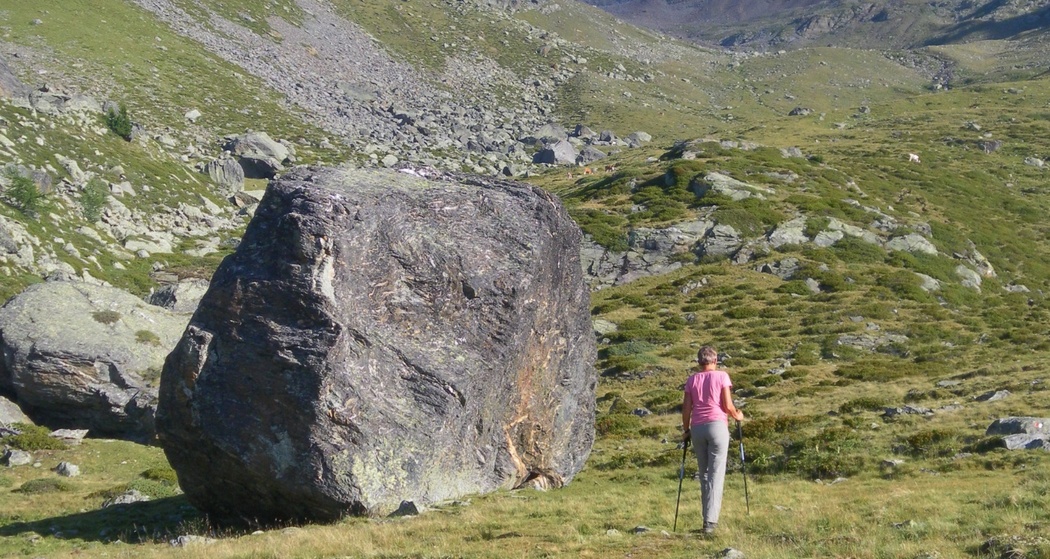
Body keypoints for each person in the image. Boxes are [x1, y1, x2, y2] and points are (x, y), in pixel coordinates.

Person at [681, 345, 744, 535]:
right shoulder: (722, 376)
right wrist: (737, 416)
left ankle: (706, 519)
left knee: (705, 474)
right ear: (715, 360)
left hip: (698, 428)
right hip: (717, 426)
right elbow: (727, 405)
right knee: (716, 474)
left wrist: (686, 430)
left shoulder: (692, 380)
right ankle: (710, 523)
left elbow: (686, 410)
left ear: (699, 362)